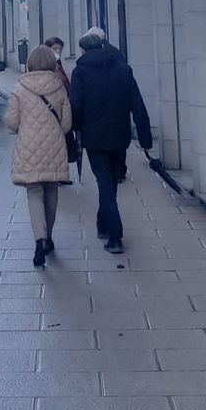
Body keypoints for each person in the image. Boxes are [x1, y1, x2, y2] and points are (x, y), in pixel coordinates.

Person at [69, 27, 153, 255]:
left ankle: (114, 236)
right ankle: (103, 223)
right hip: (119, 136)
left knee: (105, 184)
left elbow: (75, 106)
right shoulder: (123, 69)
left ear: (83, 50)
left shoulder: (80, 72)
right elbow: (138, 104)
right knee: (111, 182)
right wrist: (145, 139)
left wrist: (75, 128)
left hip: (94, 138)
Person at [4, 44, 72, 268]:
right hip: (54, 146)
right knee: (51, 191)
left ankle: (39, 239)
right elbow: (67, 124)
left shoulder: (20, 88)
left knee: (34, 193)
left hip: (29, 147)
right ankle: (49, 237)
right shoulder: (59, 87)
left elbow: (12, 122)